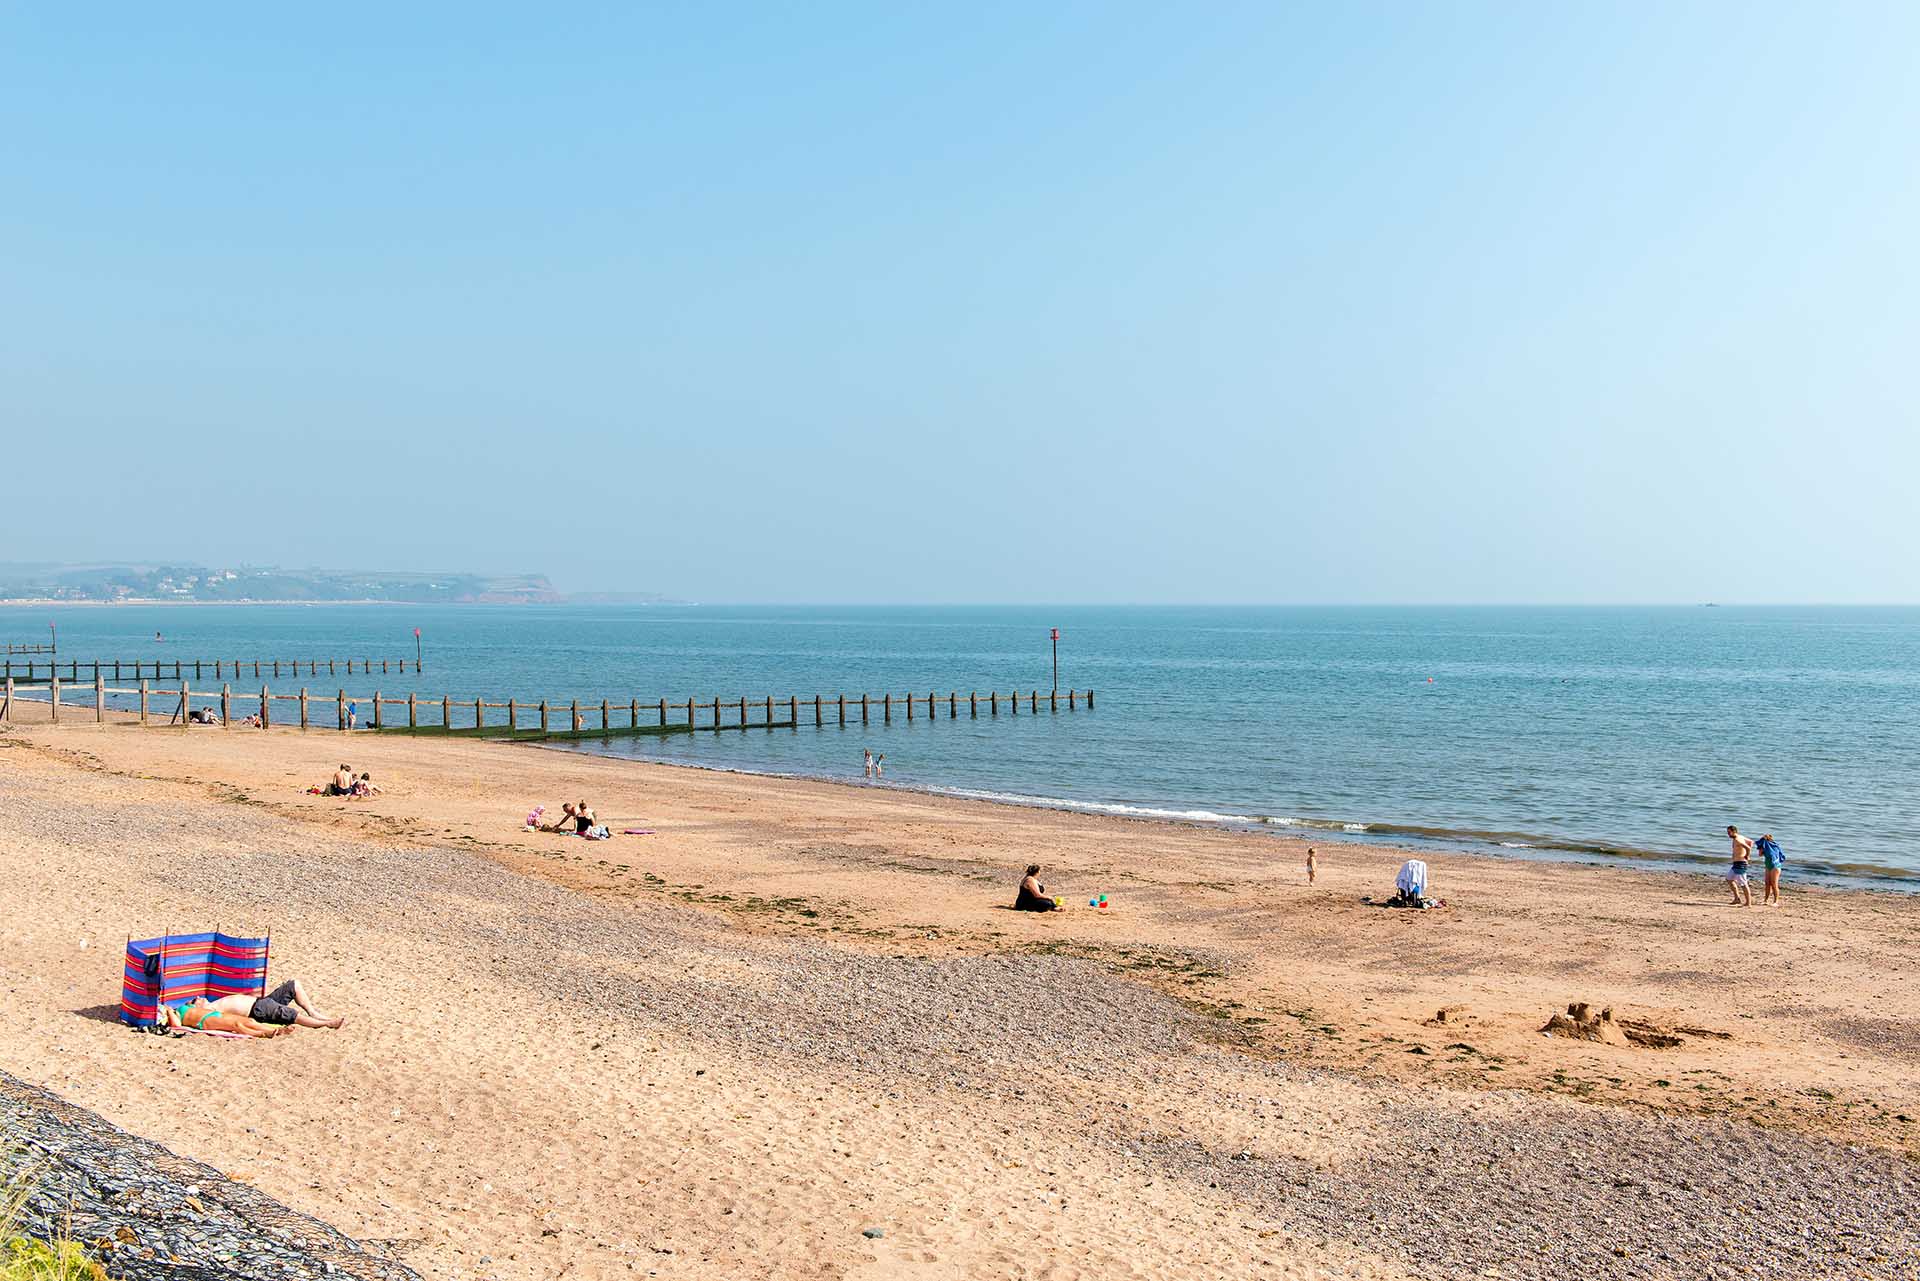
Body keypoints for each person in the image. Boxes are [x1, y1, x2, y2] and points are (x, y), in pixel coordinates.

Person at [160, 997, 291, 1039]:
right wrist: (170, 1011)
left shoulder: (194, 1006)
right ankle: (264, 1033)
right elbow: (176, 1026)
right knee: (236, 1026)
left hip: (214, 1014)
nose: (199, 997)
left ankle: (276, 1030)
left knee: (248, 1021)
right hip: (204, 1021)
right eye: (196, 999)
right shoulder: (176, 1014)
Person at [1725, 825, 1755, 907]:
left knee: (1743, 883)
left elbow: (1748, 847)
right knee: (1729, 879)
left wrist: (1747, 856)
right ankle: (1737, 899)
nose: (1728, 834)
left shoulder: (1738, 839)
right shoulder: (1739, 837)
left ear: (1734, 831)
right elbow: (1751, 842)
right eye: (1727, 832)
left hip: (1741, 863)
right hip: (1736, 863)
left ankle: (1748, 903)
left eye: (1729, 832)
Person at [1756, 832, 1785, 906]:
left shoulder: (1774, 847)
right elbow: (1760, 854)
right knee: (1767, 883)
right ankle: (1765, 900)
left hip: (1775, 866)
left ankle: (1776, 902)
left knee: (1774, 884)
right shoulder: (1765, 847)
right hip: (1768, 866)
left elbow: (1777, 855)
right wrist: (1761, 848)